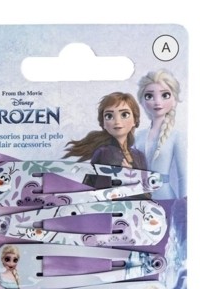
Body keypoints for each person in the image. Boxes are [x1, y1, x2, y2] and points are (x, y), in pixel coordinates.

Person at [63, 92, 148, 170]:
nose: (117, 121)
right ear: (103, 123)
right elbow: (95, 180)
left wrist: (132, 174)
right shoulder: (103, 153)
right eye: (109, 116)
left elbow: (146, 180)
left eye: (124, 114)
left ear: (134, 120)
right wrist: (124, 174)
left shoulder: (140, 156)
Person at [135, 70, 185, 199]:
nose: (157, 102)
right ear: (142, 101)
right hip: (141, 197)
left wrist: (184, 203)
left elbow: (183, 176)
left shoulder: (176, 136)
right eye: (149, 96)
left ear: (174, 100)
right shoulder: (138, 136)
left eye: (165, 95)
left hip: (165, 197)